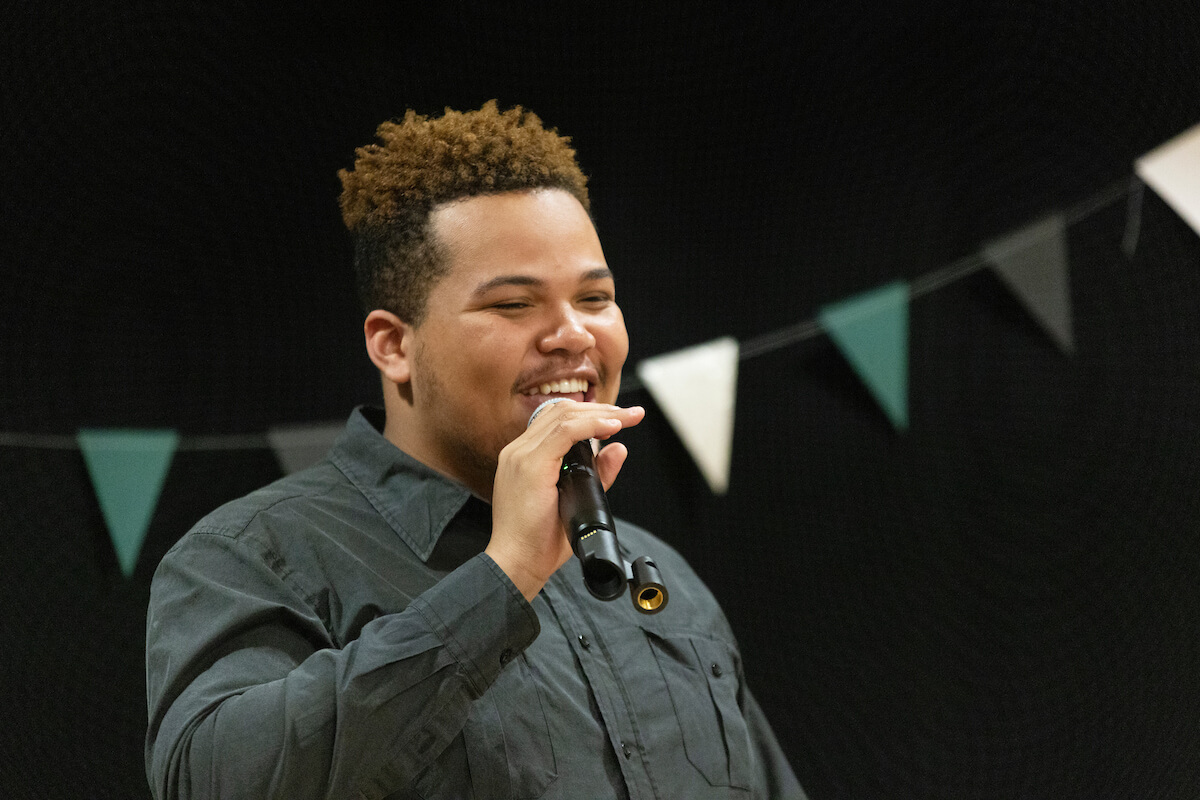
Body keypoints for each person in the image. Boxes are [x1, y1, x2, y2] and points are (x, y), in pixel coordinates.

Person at [145, 100, 805, 799]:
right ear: (394, 345)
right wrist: (505, 575)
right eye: (514, 305)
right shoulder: (251, 555)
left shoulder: (664, 576)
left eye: (595, 297)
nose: (573, 334)